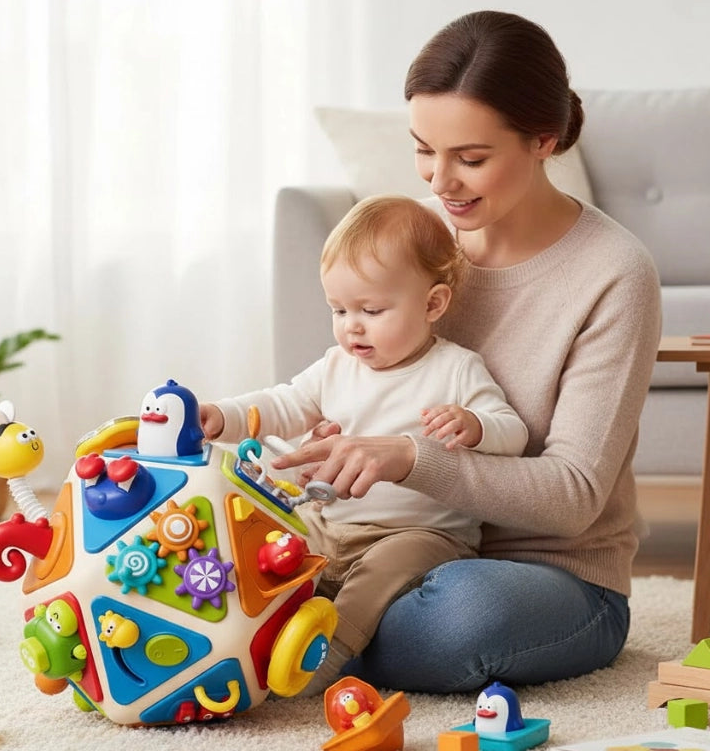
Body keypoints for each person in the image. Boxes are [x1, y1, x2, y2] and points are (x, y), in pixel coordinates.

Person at [269, 10, 663, 693]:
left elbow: (573, 497)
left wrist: (410, 458)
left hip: (545, 576)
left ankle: (298, 634)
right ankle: (309, 626)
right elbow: (353, 370)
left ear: (544, 140)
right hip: (381, 546)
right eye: (424, 149)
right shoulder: (416, 237)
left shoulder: (615, 273)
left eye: (471, 159)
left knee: (461, 618)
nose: (440, 181)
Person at [200, 194, 528, 694]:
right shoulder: (336, 366)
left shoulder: (456, 368)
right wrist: (220, 416)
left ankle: (331, 651)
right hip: (330, 524)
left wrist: (476, 425)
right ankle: (244, 631)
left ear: (433, 303)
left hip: (420, 535)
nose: (352, 325)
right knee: (274, 544)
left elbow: (515, 434)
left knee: (377, 577)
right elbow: (282, 403)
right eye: (339, 308)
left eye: (372, 309)